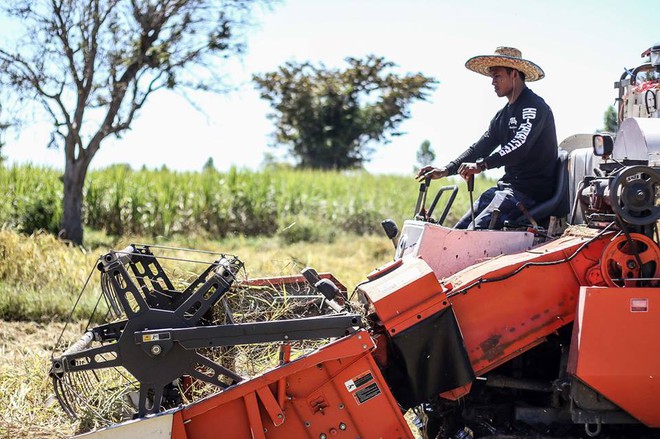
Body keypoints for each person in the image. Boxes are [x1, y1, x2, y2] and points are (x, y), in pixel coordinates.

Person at [417, 47, 558, 229]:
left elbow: (520, 145)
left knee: (472, 235)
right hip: (506, 190)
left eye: (497, 76)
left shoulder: (534, 107)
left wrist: (481, 165)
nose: (492, 82)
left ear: (514, 74)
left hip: (530, 194)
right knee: (458, 231)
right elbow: (480, 147)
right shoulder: (502, 116)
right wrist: (445, 170)